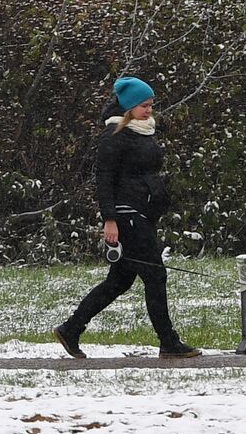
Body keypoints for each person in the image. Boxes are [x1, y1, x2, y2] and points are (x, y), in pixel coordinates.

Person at [53, 77, 201, 359]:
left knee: (119, 281)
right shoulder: (114, 136)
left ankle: (71, 329)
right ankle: (168, 342)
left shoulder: (143, 131)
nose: (149, 110)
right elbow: (104, 179)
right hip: (127, 216)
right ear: (129, 106)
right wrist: (110, 220)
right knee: (155, 275)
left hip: (143, 214)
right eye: (144, 105)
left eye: (151, 105)